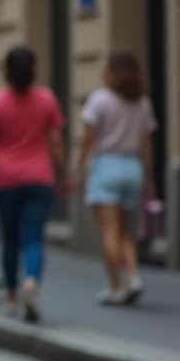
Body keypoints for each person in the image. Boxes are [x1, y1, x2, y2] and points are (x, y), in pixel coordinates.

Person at [0, 47, 65, 322]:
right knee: (34, 237)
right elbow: (57, 142)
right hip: (39, 178)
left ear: (7, 72)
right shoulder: (47, 99)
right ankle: (31, 282)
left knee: (10, 239)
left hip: (5, 180)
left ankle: (11, 294)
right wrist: (65, 174)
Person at [71, 49, 157, 305]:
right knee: (124, 231)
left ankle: (115, 287)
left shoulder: (100, 100)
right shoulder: (142, 102)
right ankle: (134, 276)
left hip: (107, 165)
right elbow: (147, 143)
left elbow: (88, 139)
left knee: (109, 231)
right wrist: (149, 177)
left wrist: (79, 170)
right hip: (132, 167)